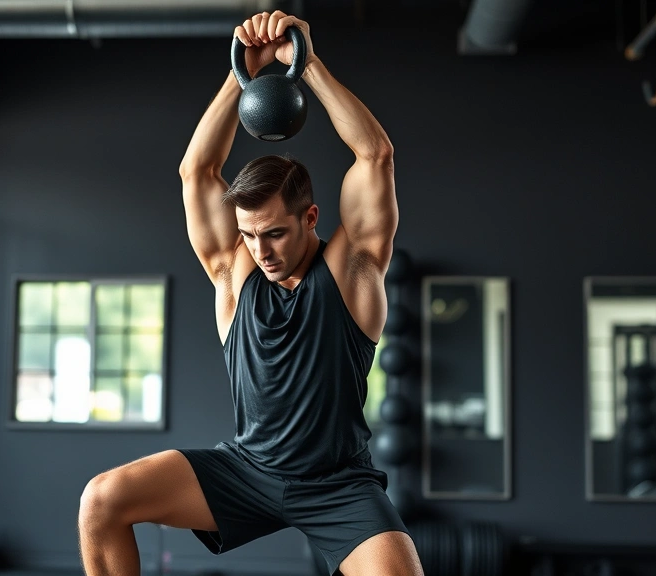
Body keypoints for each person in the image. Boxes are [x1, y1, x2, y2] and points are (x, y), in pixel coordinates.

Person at [78, 11, 422, 576]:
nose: (260, 250)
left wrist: (306, 65)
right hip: (246, 471)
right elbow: (198, 170)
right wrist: (244, 73)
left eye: (276, 233)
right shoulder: (234, 276)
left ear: (311, 218)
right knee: (102, 500)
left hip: (338, 485)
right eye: (248, 235)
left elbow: (375, 155)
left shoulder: (352, 269)